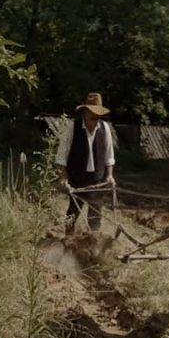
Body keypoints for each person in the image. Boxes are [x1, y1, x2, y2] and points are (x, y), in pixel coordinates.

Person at [54, 92, 116, 234]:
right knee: (72, 213)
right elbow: (61, 156)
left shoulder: (105, 128)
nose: (95, 118)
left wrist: (110, 176)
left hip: (97, 179)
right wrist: (63, 177)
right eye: (92, 114)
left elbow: (109, 156)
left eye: (97, 115)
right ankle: (68, 241)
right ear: (85, 111)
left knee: (95, 215)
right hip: (77, 178)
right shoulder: (72, 128)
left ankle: (93, 243)